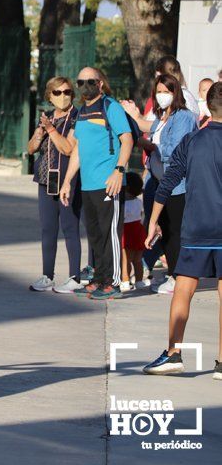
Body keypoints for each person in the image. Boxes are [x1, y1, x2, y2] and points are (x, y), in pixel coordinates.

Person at [142, 82, 222, 380]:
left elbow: (168, 180)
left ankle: (174, 353)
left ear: (207, 107)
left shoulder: (191, 141)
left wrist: (153, 221)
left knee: (183, 289)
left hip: (197, 228)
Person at [59, 67, 134, 300]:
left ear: (101, 83)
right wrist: (67, 181)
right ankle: (99, 279)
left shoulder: (111, 107)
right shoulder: (81, 112)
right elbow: (78, 150)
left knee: (110, 232)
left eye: (90, 81)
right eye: (80, 82)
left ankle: (112, 282)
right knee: (95, 234)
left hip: (108, 182)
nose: (85, 86)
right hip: (87, 184)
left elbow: (128, 139)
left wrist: (118, 171)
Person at [121, 74, 198, 294]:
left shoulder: (183, 117)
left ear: (176, 93)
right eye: (159, 91)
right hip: (160, 181)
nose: (162, 96)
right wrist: (135, 123)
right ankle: (173, 273)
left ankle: (177, 277)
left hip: (177, 185)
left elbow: (175, 151)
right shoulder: (164, 117)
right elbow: (152, 131)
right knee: (164, 230)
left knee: (174, 231)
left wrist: (154, 148)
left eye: (167, 91)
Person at [26, 76, 81, 293]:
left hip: (68, 179)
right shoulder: (47, 117)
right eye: (57, 93)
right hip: (45, 178)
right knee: (48, 229)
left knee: (70, 228)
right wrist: (39, 135)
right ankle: (47, 276)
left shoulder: (77, 117)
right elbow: (31, 149)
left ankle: (75, 277)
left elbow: (68, 148)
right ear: (49, 96)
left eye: (67, 92)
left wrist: (50, 130)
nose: (63, 96)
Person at [120, 172, 150, 292]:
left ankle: (125, 281)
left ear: (126, 188)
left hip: (127, 232)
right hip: (138, 231)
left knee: (125, 259)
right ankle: (139, 281)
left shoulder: (124, 204)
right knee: (137, 260)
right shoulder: (138, 201)